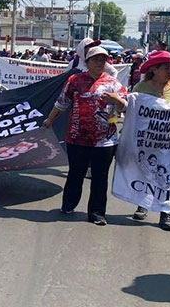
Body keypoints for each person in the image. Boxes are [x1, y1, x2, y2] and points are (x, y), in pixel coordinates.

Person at [42, 46, 127, 226]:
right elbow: (61, 103)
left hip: (105, 140)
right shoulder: (75, 80)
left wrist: (116, 100)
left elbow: (124, 108)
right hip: (77, 137)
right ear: (87, 62)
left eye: (103, 60)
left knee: (100, 177)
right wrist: (49, 120)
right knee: (76, 173)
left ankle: (97, 213)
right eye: (95, 59)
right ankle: (68, 205)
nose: (99, 63)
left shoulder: (114, 84)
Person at [130, 50, 170, 231]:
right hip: (148, 142)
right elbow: (132, 113)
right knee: (147, 172)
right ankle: (143, 204)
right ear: (154, 69)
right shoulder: (141, 89)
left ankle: (165, 213)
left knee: (168, 177)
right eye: (166, 68)